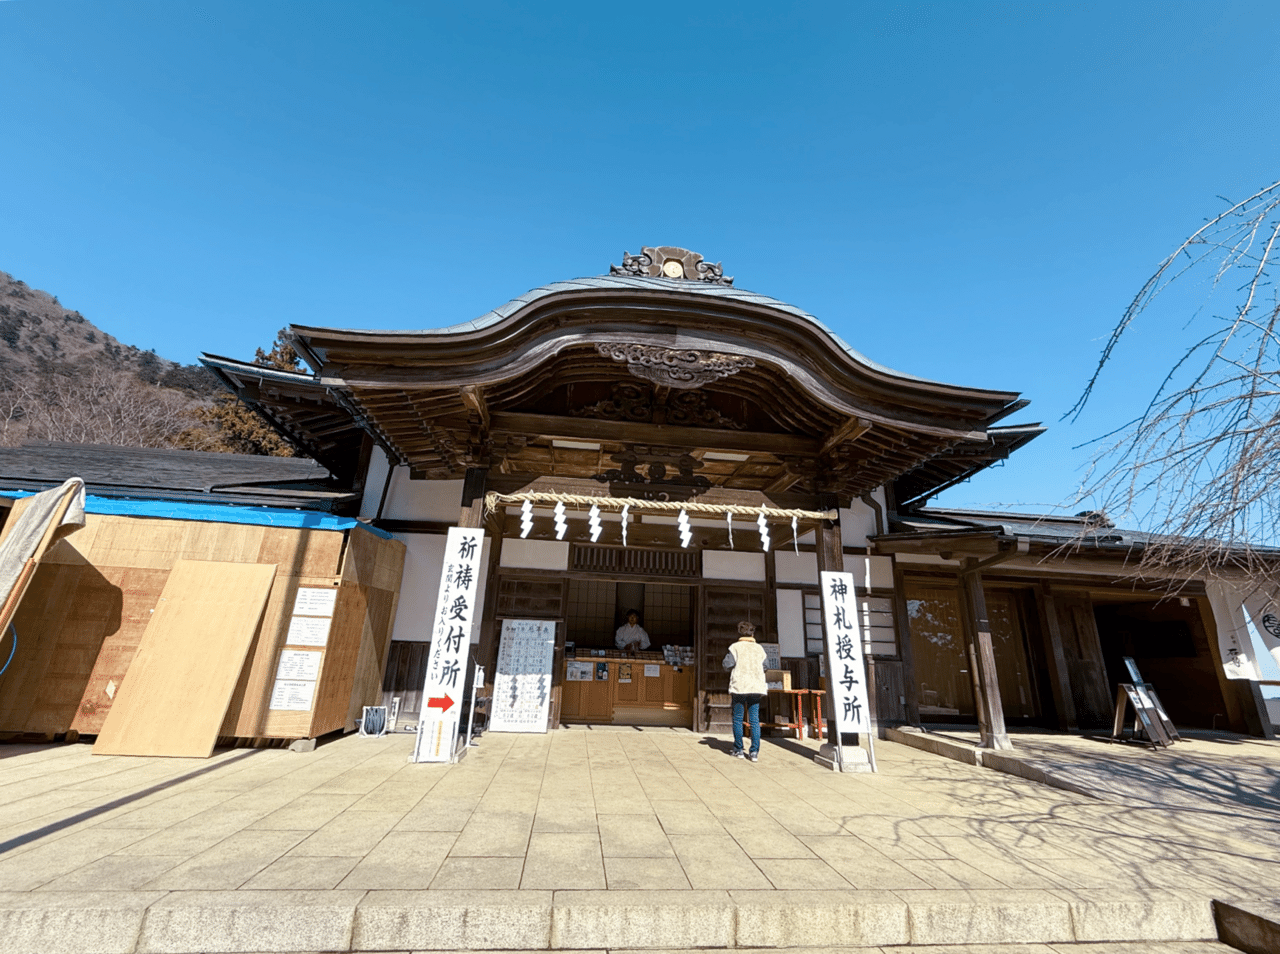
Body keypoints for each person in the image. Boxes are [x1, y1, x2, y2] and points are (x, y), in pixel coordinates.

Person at [723, 620, 767, 761]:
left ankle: (739, 749)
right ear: (752, 633)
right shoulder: (760, 649)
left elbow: (727, 664)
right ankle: (754, 752)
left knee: (737, 718)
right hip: (756, 686)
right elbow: (765, 666)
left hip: (740, 686)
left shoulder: (735, 647)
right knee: (754, 720)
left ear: (739, 633)